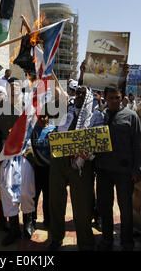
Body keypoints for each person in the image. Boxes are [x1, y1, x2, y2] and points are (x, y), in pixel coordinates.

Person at [47, 85, 100, 251]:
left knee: (82, 206)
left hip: (81, 164)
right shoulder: (66, 110)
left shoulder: (96, 116)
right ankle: (56, 238)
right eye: (77, 93)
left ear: (89, 98)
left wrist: (89, 154)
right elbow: (50, 115)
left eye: (83, 94)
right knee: (56, 202)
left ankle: (85, 242)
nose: (79, 96)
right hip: (59, 162)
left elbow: (100, 139)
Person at [95, 85, 141, 251]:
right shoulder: (99, 116)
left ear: (121, 97)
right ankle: (107, 239)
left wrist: (137, 169)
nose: (114, 101)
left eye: (117, 97)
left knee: (126, 208)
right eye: (111, 98)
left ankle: (127, 241)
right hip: (103, 170)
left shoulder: (131, 116)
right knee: (104, 207)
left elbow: (138, 144)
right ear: (105, 98)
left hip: (124, 171)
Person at [0, 77, 36, 246]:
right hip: (6, 154)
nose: (14, 88)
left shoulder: (29, 107)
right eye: (11, 86)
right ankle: (13, 229)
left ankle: (28, 223)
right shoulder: (0, 107)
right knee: (8, 192)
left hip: (25, 153)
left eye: (17, 85)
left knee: (26, 190)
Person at [23, 108, 56, 230]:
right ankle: (32, 220)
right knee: (34, 196)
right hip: (35, 169)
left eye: (45, 116)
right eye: (40, 116)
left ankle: (48, 220)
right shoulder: (32, 131)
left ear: (48, 117)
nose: (42, 119)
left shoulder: (53, 130)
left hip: (49, 169)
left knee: (48, 196)